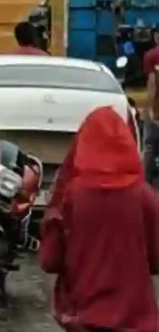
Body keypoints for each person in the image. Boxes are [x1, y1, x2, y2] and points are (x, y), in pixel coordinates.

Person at [40, 106, 159, 332]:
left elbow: (49, 261)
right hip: (136, 321)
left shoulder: (70, 195)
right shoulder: (145, 197)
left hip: (83, 318)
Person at [143, 25, 159, 183]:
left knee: (149, 146)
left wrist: (150, 109)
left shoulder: (152, 56)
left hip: (157, 108)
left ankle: (146, 184)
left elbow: (152, 83)